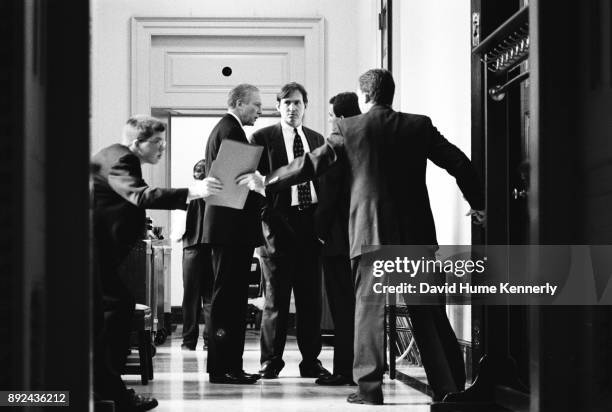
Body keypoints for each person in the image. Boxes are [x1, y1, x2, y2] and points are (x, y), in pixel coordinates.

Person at [238, 69, 485, 405]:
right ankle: (449, 388)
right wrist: (480, 204)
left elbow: (311, 164)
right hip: (416, 235)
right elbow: (459, 163)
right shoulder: (419, 125)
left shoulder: (350, 128)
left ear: (364, 96)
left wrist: (268, 180)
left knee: (368, 314)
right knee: (428, 314)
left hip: (370, 234)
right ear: (389, 94)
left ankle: (369, 390)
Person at [92, 115, 222, 411]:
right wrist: (194, 191)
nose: (162, 147)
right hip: (92, 253)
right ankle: (109, 391)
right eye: (158, 142)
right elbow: (140, 196)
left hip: (95, 253)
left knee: (113, 311)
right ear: (138, 143)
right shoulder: (123, 160)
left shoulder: (114, 154)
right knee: (115, 309)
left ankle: (107, 390)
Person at [251, 82, 330, 380]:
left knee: (311, 300)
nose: (292, 108)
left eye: (297, 103)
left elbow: (325, 181)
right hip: (276, 229)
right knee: (276, 300)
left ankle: (311, 361)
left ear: (305, 106)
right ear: (278, 106)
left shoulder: (317, 138)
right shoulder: (262, 138)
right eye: (287, 103)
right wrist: (266, 223)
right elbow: (252, 186)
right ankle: (271, 361)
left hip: (311, 227)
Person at [202, 84, 265, 384]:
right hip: (232, 230)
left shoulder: (225, 129)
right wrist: (264, 191)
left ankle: (224, 365)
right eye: (255, 105)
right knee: (229, 301)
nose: (259, 111)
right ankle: (225, 366)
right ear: (240, 103)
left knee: (229, 299)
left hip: (227, 229)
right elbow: (237, 185)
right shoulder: (231, 130)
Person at [314, 92, 361, 386]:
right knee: (362, 308)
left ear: (340, 118)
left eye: (332, 116)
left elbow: (328, 197)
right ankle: (365, 367)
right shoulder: (368, 142)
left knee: (342, 309)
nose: (330, 121)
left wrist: (317, 234)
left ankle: (344, 370)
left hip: (338, 240)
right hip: (365, 236)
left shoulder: (338, 146)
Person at [181, 159, 214, 351]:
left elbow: (178, 229)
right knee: (210, 297)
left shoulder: (189, 194)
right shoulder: (215, 196)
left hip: (191, 248)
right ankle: (210, 342)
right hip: (211, 249)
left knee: (190, 298)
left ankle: (188, 341)